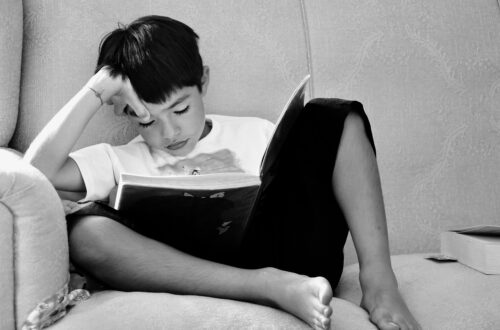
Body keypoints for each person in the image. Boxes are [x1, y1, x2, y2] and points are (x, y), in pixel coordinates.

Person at [24, 15, 421, 330]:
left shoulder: (255, 132)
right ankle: (268, 287)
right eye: (148, 120)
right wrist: (97, 89)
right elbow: (33, 177)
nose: (170, 132)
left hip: (291, 255)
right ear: (127, 112)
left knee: (333, 115)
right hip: (192, 269)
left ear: (204, 82)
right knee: (84, 231)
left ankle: (379, 280)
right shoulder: (120, 159)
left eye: (180, 109)